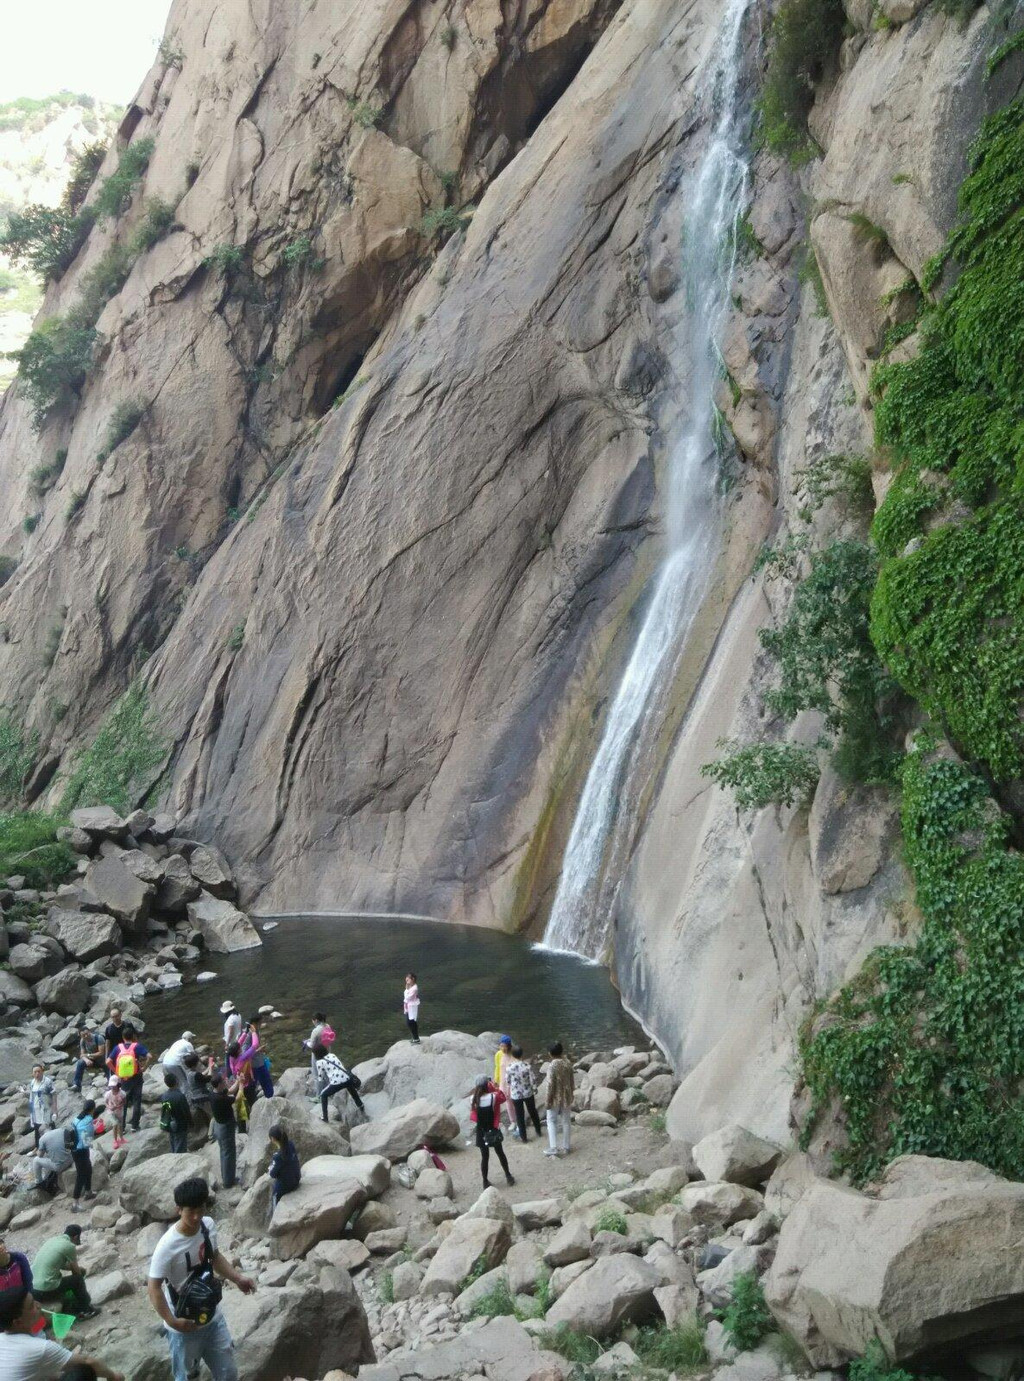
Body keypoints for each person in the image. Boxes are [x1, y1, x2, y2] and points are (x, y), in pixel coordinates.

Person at [147, 1176, 255, 1381]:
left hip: (212, 1314)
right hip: (183, 1324)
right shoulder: (167, 1245)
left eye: (200, 1209)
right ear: (179, 1209)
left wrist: (237, 1278)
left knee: (228, 1373)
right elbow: (154, 1288)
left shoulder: (208, 1226)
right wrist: (173, 1322)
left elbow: (214, 1256)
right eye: (191, 1211)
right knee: (186, 1376)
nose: (196, 1216)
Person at [0, 1288, 123, 1380]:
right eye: (32, 1305)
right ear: (17, 1322)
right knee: (82, 1372)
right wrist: (114, 1376)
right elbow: (88, 1361)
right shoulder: (40, 1348)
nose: (38, 1305)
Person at [32, 1224, 96, 1318]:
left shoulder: (53, 1240)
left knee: (71, 1280)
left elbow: (60, 1264)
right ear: (76, 1237)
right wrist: (81, 1271)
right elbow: (77, 1273)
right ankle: (86, 1310)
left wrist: (76, 1268)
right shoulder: (69, 1246)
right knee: (78, 1280)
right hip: (46, 1288)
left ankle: (69, 1306)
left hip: (34, 1289)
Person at [470, 1074, 515, 1189]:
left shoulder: (473, 1099)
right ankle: (508, 1176)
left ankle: (485, 1181)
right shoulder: (493, 1097)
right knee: (500, 1153)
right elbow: (502, 1097)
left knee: (484, 1157)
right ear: (487, 1085)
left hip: (481, 1131)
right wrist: (494, 1086)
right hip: (492, 1129)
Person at [105, 1023, 148, 1133]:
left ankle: (122, 1128)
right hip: (137, 1076)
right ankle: (135, 1126)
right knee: (137, 1101)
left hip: (124, 1078)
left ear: (123, 1037)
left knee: (122, 1102)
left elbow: (108, 1061)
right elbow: (149, 1056)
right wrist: (144, 1067)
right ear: (133, 1036)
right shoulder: (136, 1046)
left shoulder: (118, 1048)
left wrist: (116, 1072)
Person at [312, 1042, 364, 1123]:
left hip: (337, 1082)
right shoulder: (332, 1055)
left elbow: (321, 1078)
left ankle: (325, 1117)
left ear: (316, 1054)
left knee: (323, 1095)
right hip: (347, 1078)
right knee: (351, 1089)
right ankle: (360, 1105)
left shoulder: (319, 1062)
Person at [205, 1073, 237, 1189]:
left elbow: (229, 1091)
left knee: (224, 1152)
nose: (225, 1083)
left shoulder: (213, 1094)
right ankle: (228, 1181)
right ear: (219, 1085)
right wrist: (242, 1085)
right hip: (226, 1127)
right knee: (228, 1153)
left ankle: (227, 1177)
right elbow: (236, 1098)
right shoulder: (221, 1099)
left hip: (219, 1126)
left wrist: (238, 1081)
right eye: (223, 1082)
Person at [544, 1041, 574, 1158]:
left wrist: (547, 1101)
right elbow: (572, 1080)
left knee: (551, 1121)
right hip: (566, 1096)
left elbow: (550, 1085)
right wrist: (572, 1093)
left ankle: (553, 1147)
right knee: (566, 1121)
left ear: (551, 1053)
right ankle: (566, 1146)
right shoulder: (567, 1063)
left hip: (555, 1097)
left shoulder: (552, 1066)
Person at [507, 1045, 542, 1142]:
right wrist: (535, 1089)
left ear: (513, 1055)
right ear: (522, 1054)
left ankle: (524, 1137)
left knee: (519, 1115)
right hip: (528, 1093)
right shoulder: (527, 1066)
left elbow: (508, 1081)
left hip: (516, 1095)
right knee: (533, 1112)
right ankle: (538, 1131)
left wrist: (509, 1090)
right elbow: (532, 1079)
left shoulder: (509, 1068)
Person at [33, 1127, 75, 1196]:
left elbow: (40, 1155)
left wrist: (37, 1151)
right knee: (51, 1154)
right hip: (71, 1159)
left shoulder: (42, 1138)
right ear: (49, 1128)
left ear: (41, 1134)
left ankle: (39, 1182)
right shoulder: (61, 1130)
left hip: (59, 1166)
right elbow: (70, 1143)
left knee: (36, 1160)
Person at [70, 1104, 97, 1211]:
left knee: (88, 1168)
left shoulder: (77, 1118)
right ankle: (75, 1204)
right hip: (81, 1150)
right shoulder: (89, 1119)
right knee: (81, 1175)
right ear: (92, 1109)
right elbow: (89, 1134)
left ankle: (88, 1191)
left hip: (74, 1149)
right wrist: (89, 1145)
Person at [267, 1125, 301, 1210]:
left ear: (273, 1139)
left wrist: (271, 1167)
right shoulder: (291, 1144)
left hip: (284, 1187)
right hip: (296, 1180)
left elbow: (272, 1174)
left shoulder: (278, 1156)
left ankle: (275, 1214)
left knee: (274, 1195)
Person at [242, 1017, 274, 1100]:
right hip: (253, 1066)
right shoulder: (248, 1035)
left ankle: (270, 1099)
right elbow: (245, 1053)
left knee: (267, 1082)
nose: (260, 1025)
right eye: (259, 1023)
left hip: (260, 1062)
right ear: (254, 1023)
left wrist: (261, 1050)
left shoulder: (256, 1031)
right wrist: (258, 1050)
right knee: (252, 1086)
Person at [161, 1073, 191, 1154]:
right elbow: (186, 1111)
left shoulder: (164, 1096)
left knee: (173, 1144)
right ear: (176, 1081)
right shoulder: (180, 1096)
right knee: (180, 1146)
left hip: (169, 1123)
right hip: (180, 1123)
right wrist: (191, 1123)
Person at [27, 1067, 56, 1149]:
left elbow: (54, 1095)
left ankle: (55, 1145)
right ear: (32, 1073)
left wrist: (55, 1110)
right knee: (37, 1129)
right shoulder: (32, 1082)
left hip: (46, 1108)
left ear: (42, 1072)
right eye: (35, 1072)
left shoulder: (47, 1082)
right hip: (36, 1110)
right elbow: (31, 1096)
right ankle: (38, 1147)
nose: (37, 1074)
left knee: (50, 1126)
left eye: (39, 1071)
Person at [72, 1027, 105, 1095]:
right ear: (81, 1036)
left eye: (87, 1034)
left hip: (102, 1059)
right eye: (83, 1035)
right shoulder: (82, 1041)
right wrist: (86, 1060)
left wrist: (88, 1055)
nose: (86, 1036)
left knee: (108, 1066)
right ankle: (77, 1085)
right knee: (80, 1062)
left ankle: (112, 1084)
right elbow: (82, 1055)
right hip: (92, 1060)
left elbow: (101, 1053)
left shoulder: (98, 1038)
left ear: (90, 1032)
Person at [303, 1011, 331, 1088]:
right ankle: (329, 1090)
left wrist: (306, 1042)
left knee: (317, 1075)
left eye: (312, 1020)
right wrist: (310, 1039)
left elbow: (311, 1045)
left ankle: (319, 1096)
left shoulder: (315, 1031)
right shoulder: (327, 1026)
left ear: (315, 1020)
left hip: (317, 1055)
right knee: (326, 1072)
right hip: (327, 1051)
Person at [493, 1036, 515, 1130]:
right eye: (501, 1046)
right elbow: (497, 1067)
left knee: (516, 1101)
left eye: (504, 1046)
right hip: (503, 1082)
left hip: (513, 1082)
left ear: (509, 1046)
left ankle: (520, 1119)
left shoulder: (514, 1054)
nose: (502, 1048)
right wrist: (496, 1080)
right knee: (508, 1102)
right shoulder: (498, 1054)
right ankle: (513, 1121)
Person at [103, 1077, 126, 1149]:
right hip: (111, 1112)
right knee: (115, 1124)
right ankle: (115, 1141)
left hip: (119, 1111)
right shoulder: (108, 1094)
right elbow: (106, 1103)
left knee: (120, 1125)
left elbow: (124, 1102)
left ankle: (121, 1138)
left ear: (118, 1085)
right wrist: (109, 1107)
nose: (113, 1087)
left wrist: (119, 1106)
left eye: (114, 1086)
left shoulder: (122, 1093)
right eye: (111, 1086)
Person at [403, 974, 420, 1043]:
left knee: (411, 1022)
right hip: (408, 1006)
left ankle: (416, 1038)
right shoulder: (410, 987)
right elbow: (406, 995)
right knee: (409, 1022)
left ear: (412, 979)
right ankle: (414, 1037)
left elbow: (407, 997)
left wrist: (406, 990)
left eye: (408, 980)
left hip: (412, 1006)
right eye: (406, 980)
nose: (406, 981)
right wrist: (407, 989)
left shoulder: (414, 988)